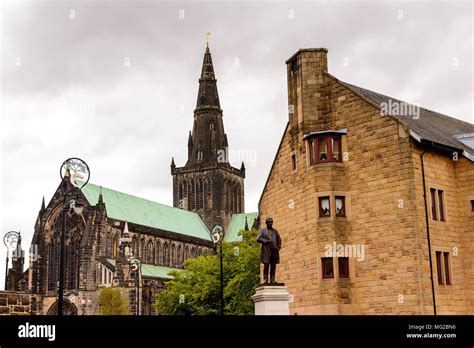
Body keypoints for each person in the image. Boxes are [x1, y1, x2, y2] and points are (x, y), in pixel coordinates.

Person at [257, 217, 282, 284]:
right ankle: (265, 279)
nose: (270, 223)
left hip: (274, 250)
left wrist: (278, 247)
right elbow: (259, 239)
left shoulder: (275, 231)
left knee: (273, 265)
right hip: (266, 250)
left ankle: (272, 279)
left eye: (271, 222)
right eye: (269, 222)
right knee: (266, 265)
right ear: (266, 223)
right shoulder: (263, 231)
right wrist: (266, 241)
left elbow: (279, 239)